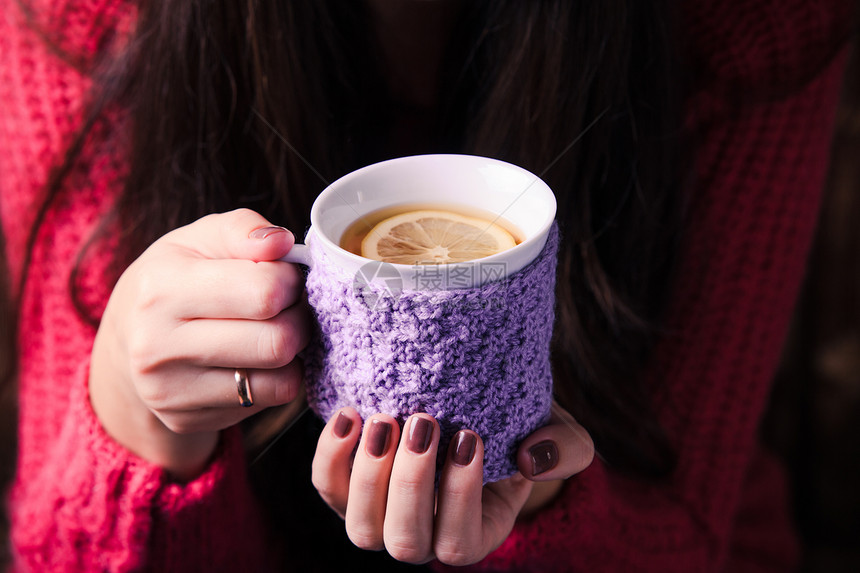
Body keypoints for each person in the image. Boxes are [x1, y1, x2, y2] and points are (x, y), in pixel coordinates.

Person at [0, 0, 854, 571]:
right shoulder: (86, 17)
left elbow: (689, 533)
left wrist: (540, 499)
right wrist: (131, 408)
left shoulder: (748, 25)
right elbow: (56, 544)